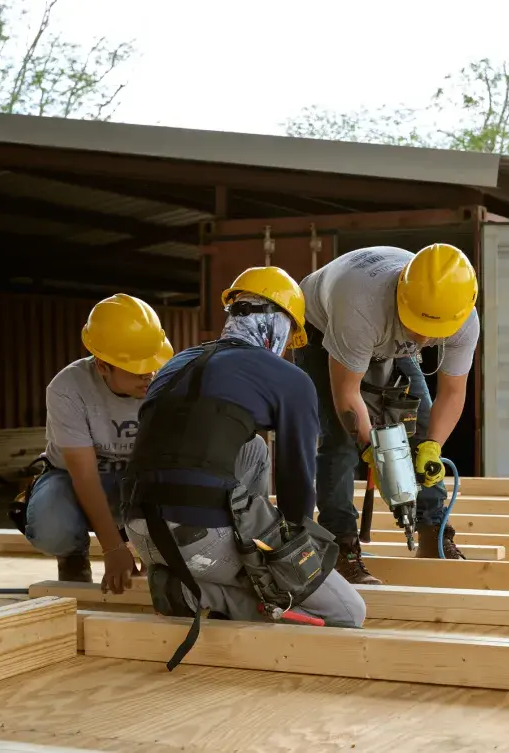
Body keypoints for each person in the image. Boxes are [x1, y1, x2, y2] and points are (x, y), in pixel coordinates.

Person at [118, 266, 365, 668]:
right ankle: (196, 593)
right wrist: (292, 563)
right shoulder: (290, 379)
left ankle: (194, 573)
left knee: (252, 450)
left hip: (139, 530)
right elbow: (297, 488)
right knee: (347, 613)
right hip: (196, 538)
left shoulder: (177, 362)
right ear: (281, 325)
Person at [294, 244, 480, 585]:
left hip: (385, 330)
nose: (423, 336)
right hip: (321, 326)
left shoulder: (461, 316)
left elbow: (452, 393)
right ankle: (342, 546)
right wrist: (371, 449)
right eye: (419, 326)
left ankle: (433, 532)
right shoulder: (360, 307)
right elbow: (348, 395)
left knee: (420, 424)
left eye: (432, 330)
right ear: (402, 296)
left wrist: (432, 448)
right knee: (338, 441)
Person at [17, 293, 174, 588]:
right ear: (103, 365)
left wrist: (149, 548)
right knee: (52, 525)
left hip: (139, 479)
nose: (149, 375)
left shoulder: (166, 381)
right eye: (137, 370)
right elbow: (85, 476)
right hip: (74, 479)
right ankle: (73, 557)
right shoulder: (68, 388)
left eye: (152, 365)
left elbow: (171, 466)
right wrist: (113, 548)